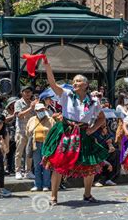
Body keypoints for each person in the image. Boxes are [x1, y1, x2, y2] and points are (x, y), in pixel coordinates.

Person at [42, 61, 109, 205]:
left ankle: (87, 194)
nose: (75, 83)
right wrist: (48, 68)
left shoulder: (94, 101)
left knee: (90, 165)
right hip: (66, 132)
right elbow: (53, 84)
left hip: (84, 133)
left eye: (78, 81)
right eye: (74, 81)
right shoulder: (66, 94)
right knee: (59, 163)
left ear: (86, 84)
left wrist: (92, 129)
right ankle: (53, 196)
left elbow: (102, 118)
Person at [26, 103, 55, 191]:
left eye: (42, 110)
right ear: (35, 111)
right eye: (38, 110)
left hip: (46, 145)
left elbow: (54, 133)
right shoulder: (31, 120)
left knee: (46, 165)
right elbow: (27, 132)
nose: (40, 112)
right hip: (35, 145)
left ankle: (46, 185)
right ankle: (37, 185)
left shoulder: (50, 120)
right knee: (37, 166)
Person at [14, 86, 38, 180]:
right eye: (26, 91)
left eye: (29, 92)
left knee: (29, 153)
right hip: (21, 131)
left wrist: (36, 106)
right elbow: (19, 115)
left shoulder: (33, 103)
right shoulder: (18, 102)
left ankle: (28, 171)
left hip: (31, 131)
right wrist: (30, 108)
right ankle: (18, 171)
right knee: (19, 152)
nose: (28, 93)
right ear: (22, 92)